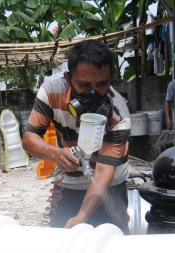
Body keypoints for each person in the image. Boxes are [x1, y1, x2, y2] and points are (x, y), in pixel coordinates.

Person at [22, 40, 131, 234]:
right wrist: (55, 154)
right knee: (61, 242)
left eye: (102, 84)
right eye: (84, 85)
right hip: (70, 183)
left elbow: (103, 173)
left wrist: (82, 216)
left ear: (111, 79)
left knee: (112, 244)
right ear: (68, 78)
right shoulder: (51, 92)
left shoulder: (118, 115)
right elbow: (29, 138)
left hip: (109, 185)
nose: (93, 93)